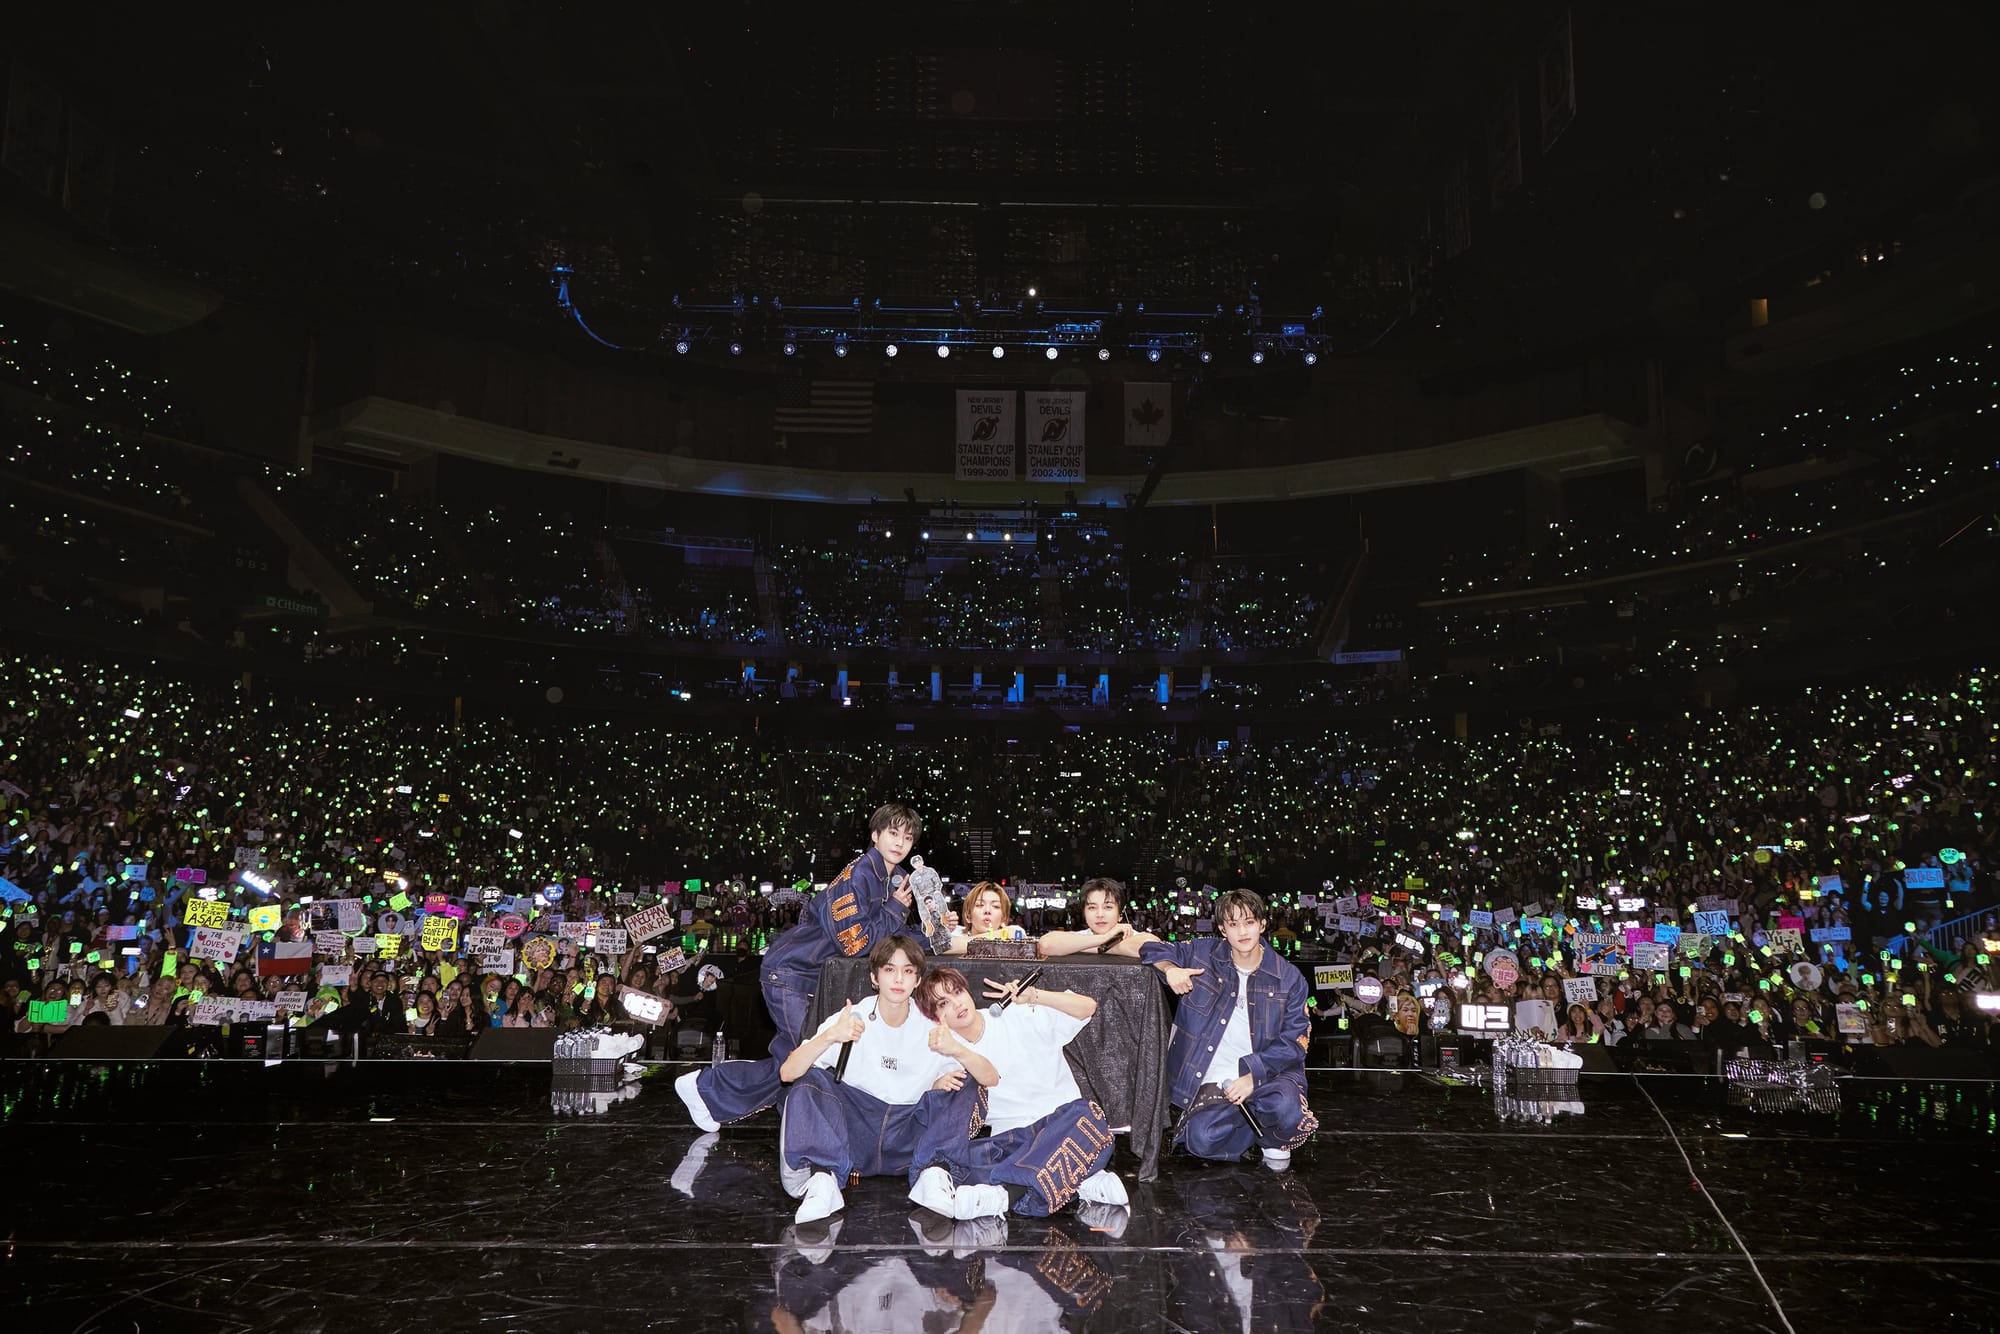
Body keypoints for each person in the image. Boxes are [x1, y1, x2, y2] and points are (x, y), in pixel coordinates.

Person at [679, 803, 926, 1131]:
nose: (899, 843)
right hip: (792, 974)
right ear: (875, 835)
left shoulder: (892, 879)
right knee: (811, 1057)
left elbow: (892, 939)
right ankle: (711, 1090)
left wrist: (934, 934)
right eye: (892, 834)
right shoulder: (859, 876)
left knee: (801, 1058)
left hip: (814, 977)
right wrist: (895, 909)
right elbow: (858, 944)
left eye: (907, 838)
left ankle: (708, 1090)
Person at [772, 935, 994, 1225]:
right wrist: (830, 1037)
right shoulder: (852, 1017)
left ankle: (935, 1174)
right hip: (854, 1136)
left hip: (909, 1139)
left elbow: (990, 1077)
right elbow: (787, 1073)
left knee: (967, 1079)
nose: (898, 979)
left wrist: (955, 1052)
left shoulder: (932, 1025)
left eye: (908, 971)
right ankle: (822, 1181)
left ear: (917, 980)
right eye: (890, 970)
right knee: (809, 1079)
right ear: (874, 977)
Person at [905, 964, 1128, 1220]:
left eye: (957, 992)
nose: (956, 1004)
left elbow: (1088, 1007)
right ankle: (1079, 1178)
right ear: (935, 1016)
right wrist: (946, 1068)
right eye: (943, 1003)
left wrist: (1035, 996)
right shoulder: (946, 1050)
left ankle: (1005, 1196)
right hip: (1013, 1143)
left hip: (1062, 1125)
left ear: (968, 991)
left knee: (1089, 1117)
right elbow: (990, 1078)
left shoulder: (1019, 1013)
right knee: (966, 1159)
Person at [1139, 889, 1317, 1170]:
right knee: (1200, 1140)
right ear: (1222, 929)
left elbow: (1295, 1042)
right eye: (1233, 924)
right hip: (1213, 1077)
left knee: (1287, 1111)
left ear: (1262, 924)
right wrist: (1170, 969)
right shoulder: (1201, 953)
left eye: (1248, 922)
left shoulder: (1289, 977)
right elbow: (1151, 947)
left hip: (1269, 1074)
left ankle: (1270, 1133)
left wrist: (1252, 1075)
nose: (1242, 931)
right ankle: (1258, 1132)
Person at [1036, 877, 1151, 959]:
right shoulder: (1082, 936)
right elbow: (1045, 944)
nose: (1100, 914)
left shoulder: (1132, 936)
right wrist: (1105, 938)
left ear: (1120, 914)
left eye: (1108, 907)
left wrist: (1097, 947)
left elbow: (1152, 947)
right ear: (1084, 913)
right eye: (1092, 908)